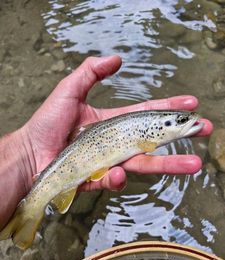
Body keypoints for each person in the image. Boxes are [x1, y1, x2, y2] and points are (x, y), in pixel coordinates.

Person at [0, 55, 213, 230]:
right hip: (67, 165)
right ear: (158, 128)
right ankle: (28, 211)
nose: (188, 121)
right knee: (38, 202)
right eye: (181, 120)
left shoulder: (150, 135)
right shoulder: (148, 137)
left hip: (72, 160)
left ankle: (27, 213)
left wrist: (25, 152)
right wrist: (27, 150)